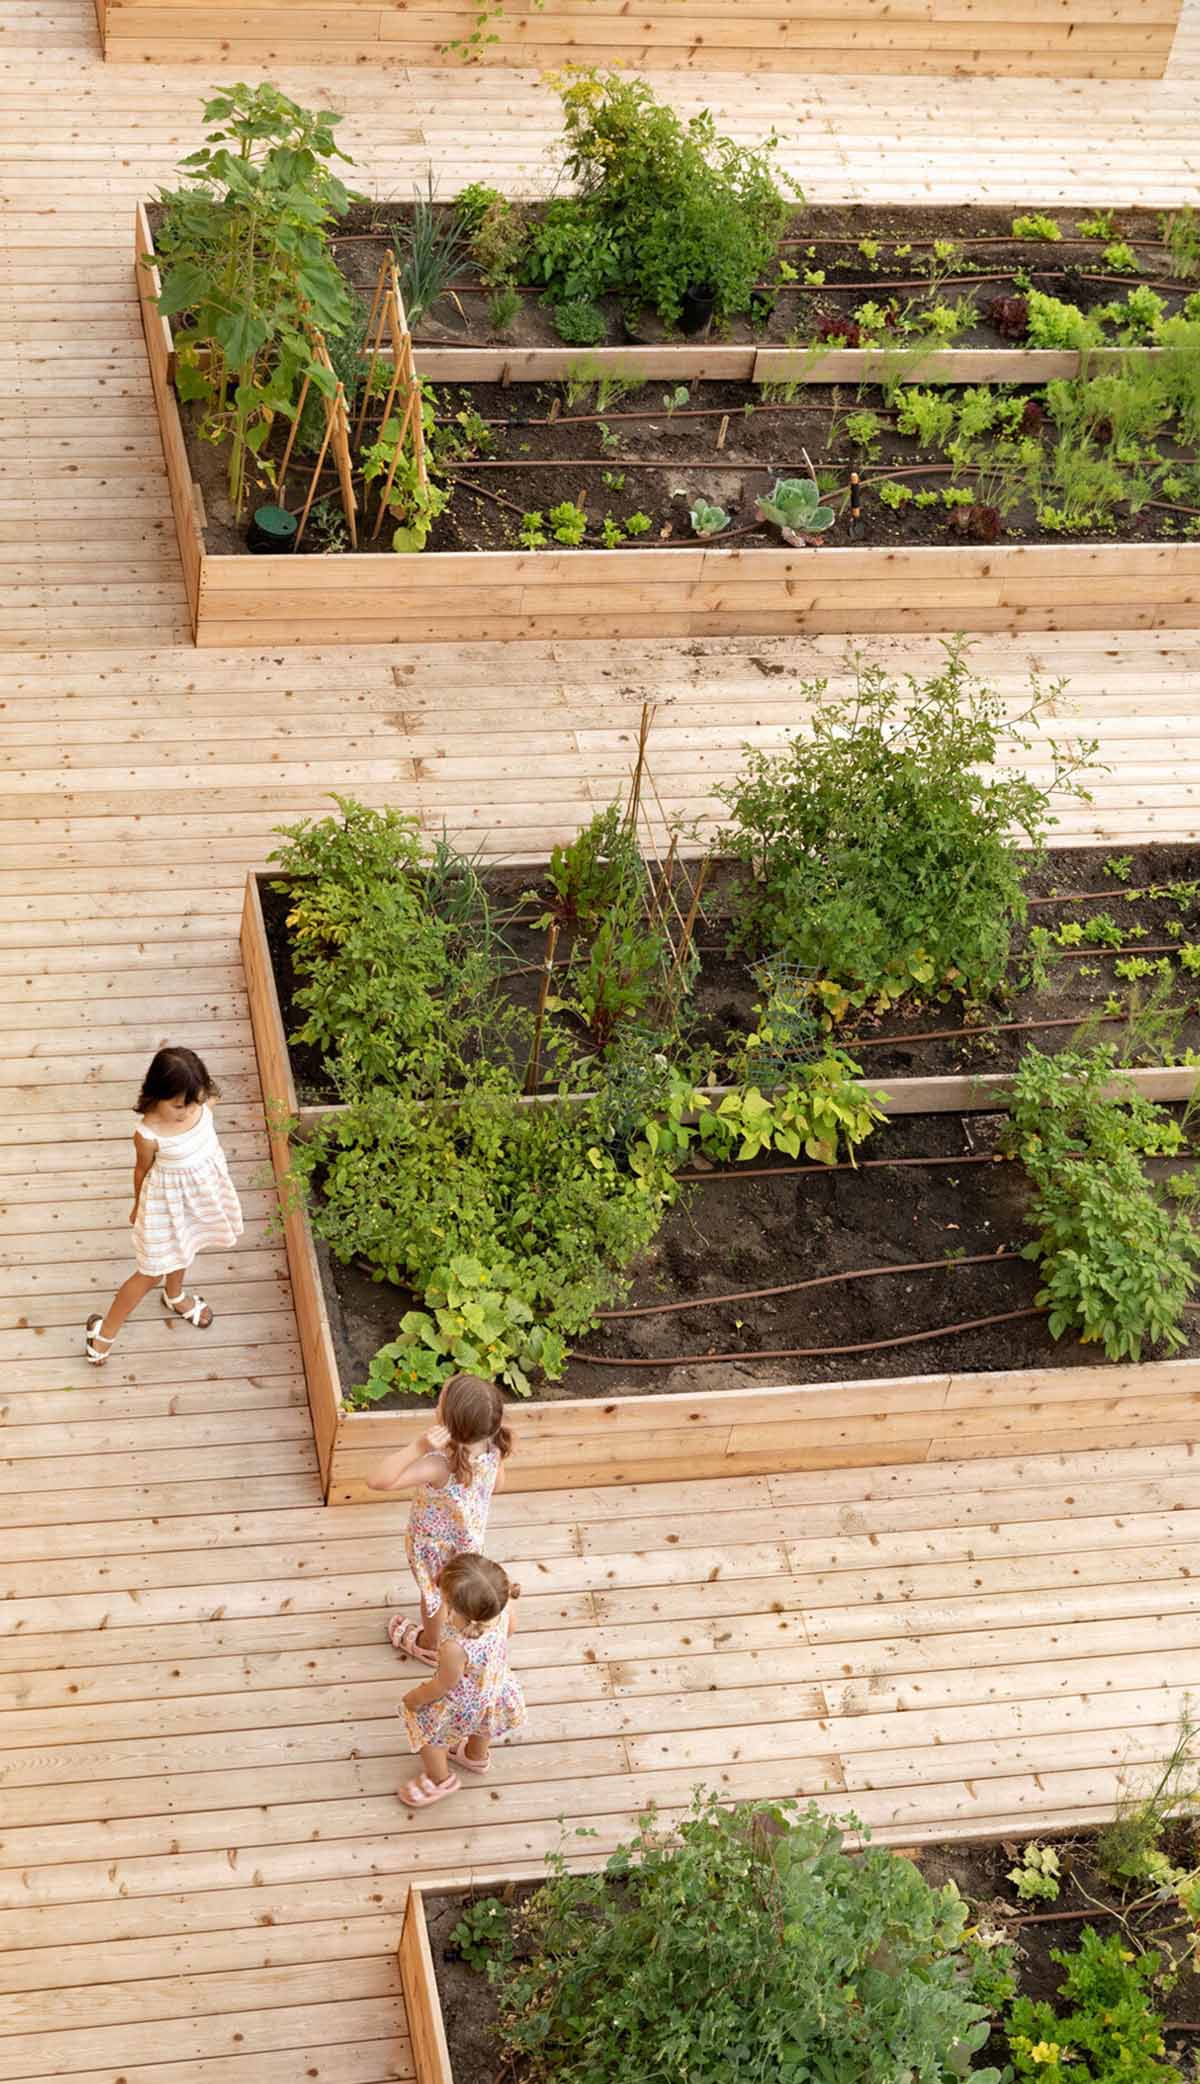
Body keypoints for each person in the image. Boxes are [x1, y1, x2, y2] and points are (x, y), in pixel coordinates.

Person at [84, 1046, 244, 1365]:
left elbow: (208, 1100)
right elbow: (142, 1169)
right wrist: (136, 1206)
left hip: (198, 1199)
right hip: (165, 1206)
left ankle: (175, 1296)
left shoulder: (203, 1102)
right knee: (149, 1272)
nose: (188, 1111)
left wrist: (199, 1102)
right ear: (157, 1095)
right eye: (178, 1106)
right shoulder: (148, 1134)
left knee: (188, 1245)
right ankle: (104, 1333)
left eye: (194, 1101)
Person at [369, 1372, 512, 1665]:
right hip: (469, 1542)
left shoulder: (439, 1465)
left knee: (435, 1597)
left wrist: (418, 1447)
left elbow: (377, 1480)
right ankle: (467, 1620)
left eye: (439, 1402)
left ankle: (430, 1644)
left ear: (446, 1423)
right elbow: (496, 1485)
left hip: (434, 1549)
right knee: (458, 1587)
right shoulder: (493, 1449)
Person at [398, 1552, 524, 1809]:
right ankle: (475, 1756)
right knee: (484, 1725)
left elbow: (444, 1684)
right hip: (496, 1688)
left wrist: (414, 1698)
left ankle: (439, 1779)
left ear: (452, 1604)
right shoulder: (504, 1605)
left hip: (463, 1705)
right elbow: (510, 1629)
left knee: (428, 1737)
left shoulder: (456, 1645)